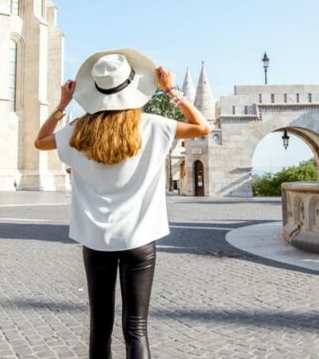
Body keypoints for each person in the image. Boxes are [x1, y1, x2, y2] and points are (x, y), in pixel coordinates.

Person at [33, 49, 211, 359]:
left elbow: (40, 141)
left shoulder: (78, 131)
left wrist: (63, 105)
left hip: (96, 240)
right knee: (136, 328)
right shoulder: (153, 125)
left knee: (99, 326)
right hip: (139, 239)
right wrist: (170, 91)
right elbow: (202, 126)